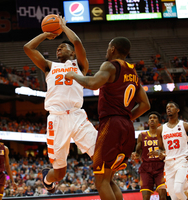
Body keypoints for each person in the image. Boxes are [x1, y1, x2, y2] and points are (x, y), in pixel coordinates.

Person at [65, 36, 150, 200]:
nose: (106, 51)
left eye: (107, 48)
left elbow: (93, 83)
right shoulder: (133, 73)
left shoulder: (110, 66)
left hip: (111, 124)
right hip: (127, 126)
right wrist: (126, 118)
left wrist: (73, 75)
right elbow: (145, 104)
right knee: (109, 179)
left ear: (112, 49)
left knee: (100, 181)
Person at [23, 15, 98, 193]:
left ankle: (106, 185)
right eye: (57, 48)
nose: (58, 49)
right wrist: (46, 34)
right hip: (56, 119)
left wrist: (63, 27)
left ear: (71, 53)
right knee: (59, 173)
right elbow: (28, 48)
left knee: (100, 153)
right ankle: (47, 179)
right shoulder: (50, 66)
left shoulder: (79, 65)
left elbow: (78, 43)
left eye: (62, 47)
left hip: (77, 115)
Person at [148, 101, 188, 200]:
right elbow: (161, 149)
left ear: (178, 110)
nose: (168, 108)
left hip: (182, 160)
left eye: (171, 107)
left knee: (178, 190)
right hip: (168, 164)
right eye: (167, 107)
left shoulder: (186, 126)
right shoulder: (160, 129)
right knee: (174, 197)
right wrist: (159, 153)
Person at [131, 112, 167, 200]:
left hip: (160, 166)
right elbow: (138, 152)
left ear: (159, 121)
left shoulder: (163, 135)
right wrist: (135, 155)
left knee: (163, 194)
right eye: (150, 118)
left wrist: (161, 153)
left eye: (154, 118)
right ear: (148, 121)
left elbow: (166, 150)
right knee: (146, 196)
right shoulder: (142, 136)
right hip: (146, 167)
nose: (152, 119)